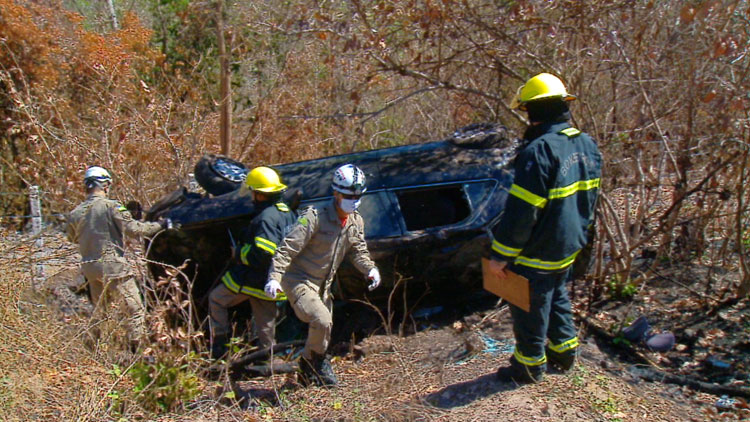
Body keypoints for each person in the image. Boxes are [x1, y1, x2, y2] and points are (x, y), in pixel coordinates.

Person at [488, 73, 602, 383]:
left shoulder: (538, 151)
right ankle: (564, 353)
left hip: (539, 250)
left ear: (533, 111)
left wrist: (501, 255)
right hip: (569, 244)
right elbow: (590, 202)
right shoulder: (586, 143)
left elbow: (522, 213)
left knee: (530, 307)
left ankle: (528, 367)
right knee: (556, 295)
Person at [264, 164, 381, 387]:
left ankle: (308, 369)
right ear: (336, 193)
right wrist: (274, 277)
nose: (353, 200)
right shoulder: (314, 217)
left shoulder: (355, 221)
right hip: (298, 280)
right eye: (348, 195)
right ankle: (315, 365)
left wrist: (370, 269)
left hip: (322, 285)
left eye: (357, 196)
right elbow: (287, 248)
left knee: (324, 333)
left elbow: (358, 251)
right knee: (322, 320)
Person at [66, 166, 168, 348]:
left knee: (100, 312)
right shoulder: (111, 206)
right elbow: (135, 230)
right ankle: (139, 351)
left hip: (90, 268)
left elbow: (73, 238)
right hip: (113, 266)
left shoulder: (75, 212)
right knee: (135, 308)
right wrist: (161, 225)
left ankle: (95, 348)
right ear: (105, 185)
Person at [208, 166, 297, 360]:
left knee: (216, 299)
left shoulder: (265, 218)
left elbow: (264, 254)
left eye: (254, 193)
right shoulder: (286, 212)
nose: (251, 198)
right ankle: (268, 361)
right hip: (278, 279)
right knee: (266, 323)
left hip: (256, 279)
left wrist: (239, 253)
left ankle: (219, 348)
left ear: (261, 195)